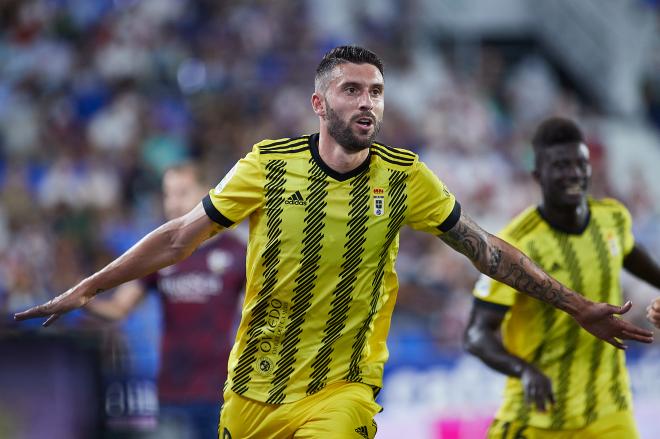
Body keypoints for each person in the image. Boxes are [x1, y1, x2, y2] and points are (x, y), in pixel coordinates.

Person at [15, 46, 653, 439]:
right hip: (251, 394)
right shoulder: (267, 165)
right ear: (319, 103)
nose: (367, 102)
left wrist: (575, 305)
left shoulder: (405, 177)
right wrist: (84, 288)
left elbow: (487, 249)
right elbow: (180, 238)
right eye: (353, 90)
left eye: (375, 90)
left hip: (342, 390)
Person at [463, 117, 660, 439]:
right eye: (561, 165)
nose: (574, 173)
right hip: (539, 417)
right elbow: (476, 335)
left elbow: (631, 254)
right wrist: (524, 371)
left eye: (580, 163)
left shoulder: (612, 218)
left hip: (610, 412)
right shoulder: (515, 244)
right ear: (538, 175)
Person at [86, 163, 246, 439]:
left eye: (182, 193)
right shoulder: (159, 255)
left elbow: (256, 318)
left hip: (224, 394)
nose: (172, 203)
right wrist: (83, 298)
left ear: (208, 195)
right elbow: (119, 309)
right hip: (172, 393)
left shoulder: (237, 252)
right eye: (167, 194)